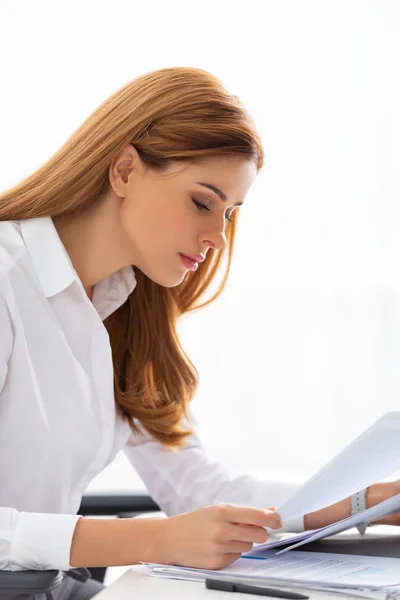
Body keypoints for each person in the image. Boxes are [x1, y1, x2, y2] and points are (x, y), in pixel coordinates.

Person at [0, 66, 399, 599]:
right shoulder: (7, 283)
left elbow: (200, 490)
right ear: (124, 170)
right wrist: (156, 539)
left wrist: (362, 501)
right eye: (202, 202)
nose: (217, 237)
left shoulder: (127, 310)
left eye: (230, 214)